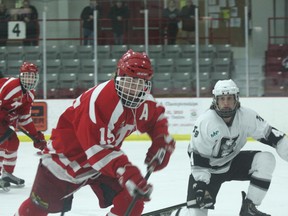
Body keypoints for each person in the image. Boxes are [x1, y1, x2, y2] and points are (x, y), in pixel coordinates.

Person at [16, 49, 175, 216]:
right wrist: (127, 171)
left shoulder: (144, 101)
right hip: (63, 162)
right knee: (35, 210)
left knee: (132, 198)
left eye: (140, 84)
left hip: (100, 167)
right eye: (130, 82)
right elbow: (97, 150)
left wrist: (161, 140)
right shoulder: (99, 100)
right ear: (117, 77)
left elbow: (156, 119)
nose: (134, 90)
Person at [181, 79, 288, 216]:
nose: (226, 103)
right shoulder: (206, 122)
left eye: (229, 98)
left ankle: (249, 208)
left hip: (232, 163)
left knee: (266, 160)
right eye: (222, 99)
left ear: (236, 99)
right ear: (215, 100)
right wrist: (201, 186)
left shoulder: (246, 116)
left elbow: (273, 136)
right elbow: (197, 156)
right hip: (209, 171)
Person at [0, 62, 47, 192]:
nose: (29, 79)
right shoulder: (11, 88)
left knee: (14, 142)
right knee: (2, 142)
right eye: (27, 76)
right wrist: (4, 118)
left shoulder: (30, 94)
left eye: (32, 76)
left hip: (3, 119)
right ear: (21, 76)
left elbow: (24, 117)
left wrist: (36, 136)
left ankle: (7, 174)